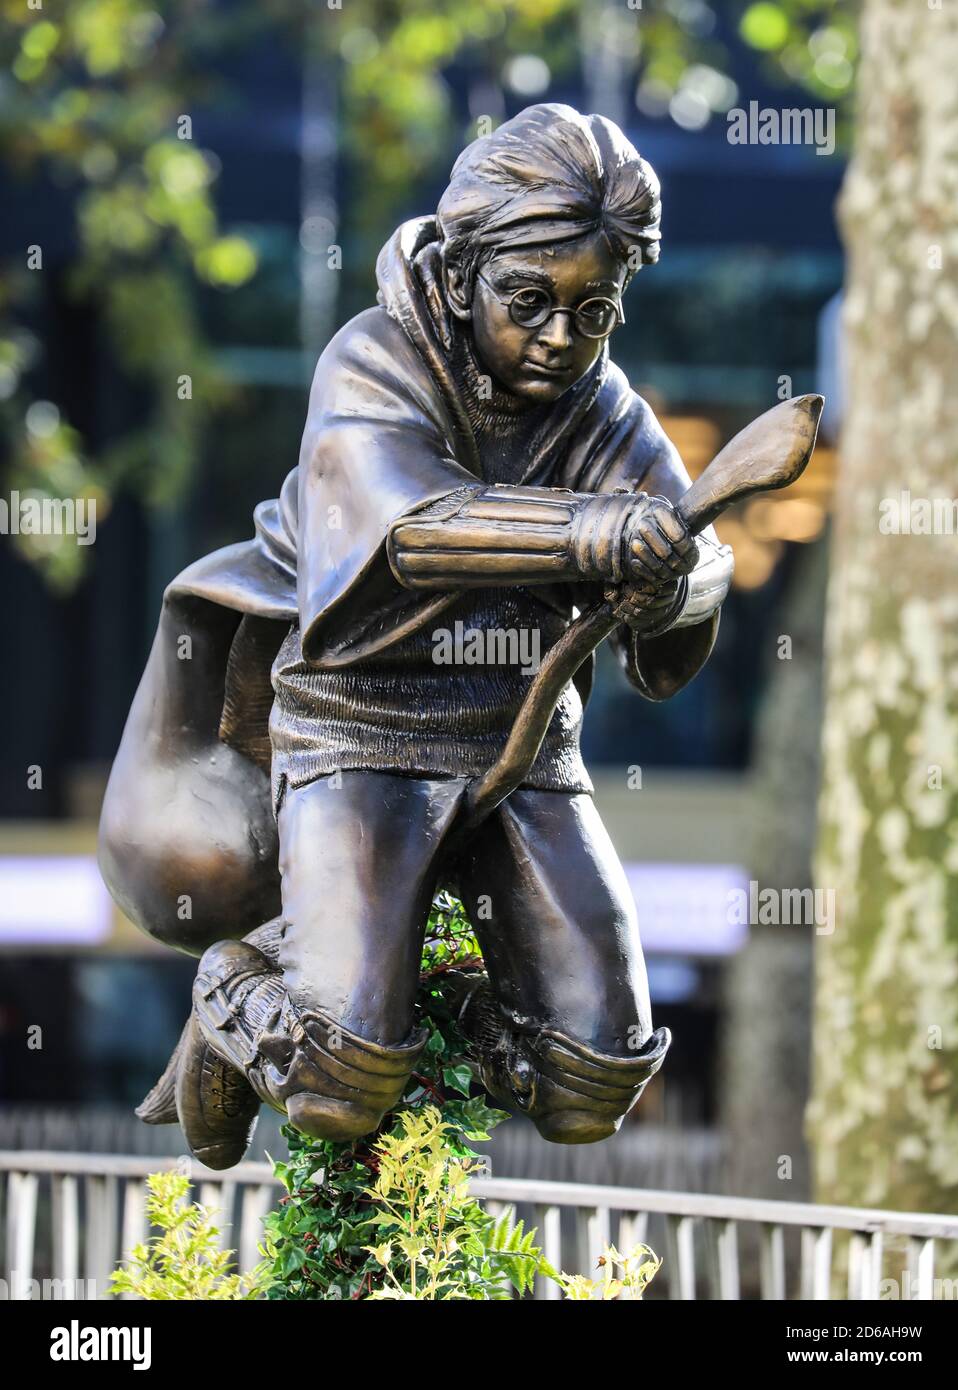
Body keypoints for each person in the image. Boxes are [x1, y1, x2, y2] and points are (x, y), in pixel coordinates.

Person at [101, 104, 733, 1169]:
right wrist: (599, 533)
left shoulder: (604, 409)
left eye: (596, 313)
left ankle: (386, 995)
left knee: (592, 1074)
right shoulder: (373, 360)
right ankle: (243, 998)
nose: (558, 340)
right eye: (528, 300)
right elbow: (411, 528)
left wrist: (679, 577)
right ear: (456, 274)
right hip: (357, 725)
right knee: (341, 1080)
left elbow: (692, 538)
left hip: (523, 739)